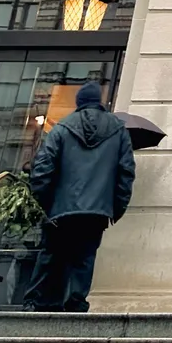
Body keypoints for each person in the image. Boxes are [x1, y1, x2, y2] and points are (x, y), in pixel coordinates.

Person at [24, 80, 136, 313]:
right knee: (84, 258)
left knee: (52, 255)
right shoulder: (118, 130)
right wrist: (116, 208)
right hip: (97, 210)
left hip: (60, 208)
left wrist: (45, 202)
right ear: (100, 102)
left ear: (79, 103)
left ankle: (41, 302)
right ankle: (76, 301)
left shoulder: (62, 128)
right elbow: (126, 173)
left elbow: (43, 168)